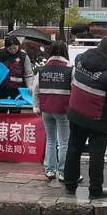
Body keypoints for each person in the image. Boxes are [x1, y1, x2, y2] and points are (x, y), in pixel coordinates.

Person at [65, 36, 107, 200]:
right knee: (96, 154)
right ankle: (95, 189)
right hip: (98, 118)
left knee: (73, 149)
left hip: (76, 112)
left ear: (99, 45)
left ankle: (70, 185)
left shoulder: (80, 59)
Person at [32, 40, 73, 181]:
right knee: (64, 142)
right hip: (63, 110)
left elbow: (35, 89)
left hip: (46, 110)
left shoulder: (42, 69)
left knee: (50, 140)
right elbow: (74, 89)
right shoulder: (70, 69)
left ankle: (50, 170)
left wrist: (37, 106)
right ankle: (63, 172)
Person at [0, 36, 33, 103]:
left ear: (18, 46)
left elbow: (29, 74)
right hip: (1, 89)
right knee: (0, 108)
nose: (13, 50)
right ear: (6, 47)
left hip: (18, 90)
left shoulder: (24, 56)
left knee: (16, 108)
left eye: (15, 48)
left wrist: (30, 86)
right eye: (10, 49)